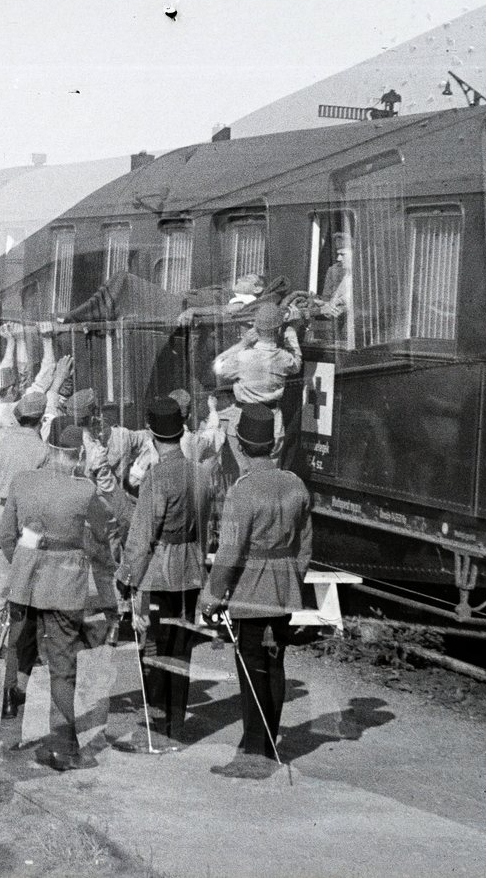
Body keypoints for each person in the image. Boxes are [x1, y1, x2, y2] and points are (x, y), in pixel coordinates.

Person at [0, 418, 121, 770]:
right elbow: (106, 529)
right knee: (62, 668)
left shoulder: (23, 482)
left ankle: (9, 736)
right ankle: (64, 747)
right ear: (79, 454)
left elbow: (7, 537)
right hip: (66, 589)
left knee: (17, 660)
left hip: (24, 587)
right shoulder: (84, 490)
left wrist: (24, 563)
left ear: (49, 449)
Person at [201, 403, 313, 780]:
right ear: (273, 444)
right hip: (284, 592)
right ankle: (267, 746)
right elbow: (306, 545)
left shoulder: (242, 493)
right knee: (274, 666)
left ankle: (253, 755)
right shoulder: (296, 483)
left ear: (244, 447)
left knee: (251, 670)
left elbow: (230, 550)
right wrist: (291, 581)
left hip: (250, 591)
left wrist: (213, 594)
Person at [116, 397, 211, 742]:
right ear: (181, 431)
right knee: (181, 648)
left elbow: (141, 538)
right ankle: (177, 720)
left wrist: (126, 577)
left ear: (153, 436)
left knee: (154, 647)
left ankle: (159, 721)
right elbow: (205, 528)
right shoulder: (202, 475)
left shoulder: (155, 478)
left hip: (158, 572)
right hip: (191, 569)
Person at [0, 390, 47, 659]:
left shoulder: (0, 447)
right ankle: (25, 646)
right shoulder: (43, 450)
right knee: (29, 587)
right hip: (29, 527)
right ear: (40, 419)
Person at [211, 302, 301, 457]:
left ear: (255, 328)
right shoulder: (284, 358)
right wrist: (292, 330)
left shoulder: (242, 357)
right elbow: (297, 364)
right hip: (272, 420)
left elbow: (216, 366)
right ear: (279, 329)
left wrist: (242, 343)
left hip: (243, 418)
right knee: (269, 472)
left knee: (244, 471)